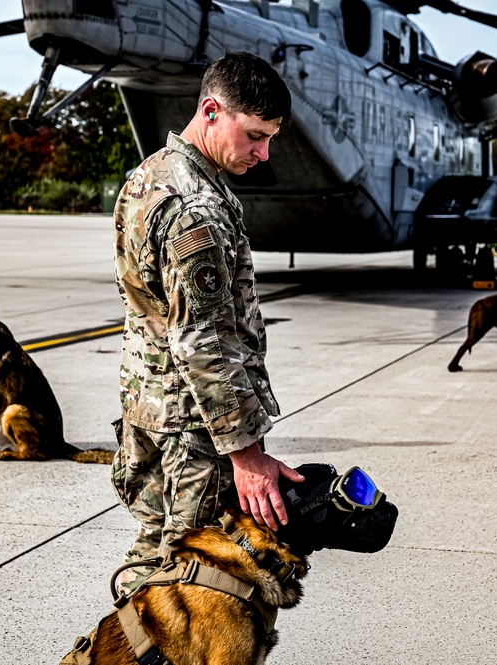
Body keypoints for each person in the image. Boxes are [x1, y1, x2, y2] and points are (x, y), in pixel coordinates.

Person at [111, 52, 303, 593]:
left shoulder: (148, 176)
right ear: (212, 110)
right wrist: (245, 452)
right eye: (255, 135)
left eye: (270, 139)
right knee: (190, 589)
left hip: (148, 410)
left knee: (152, 567)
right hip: (195, 432)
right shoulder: (194, 204)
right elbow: (204, 340)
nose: (263, 154)